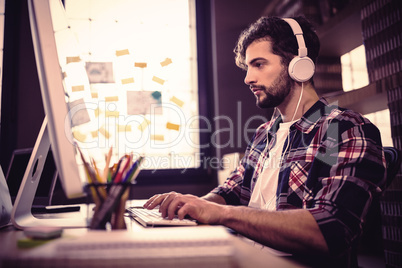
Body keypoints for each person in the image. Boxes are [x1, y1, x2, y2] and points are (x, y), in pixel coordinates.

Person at [143, 16, 387, 267]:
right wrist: (189, 205)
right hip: (244, 258)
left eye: (259, 64)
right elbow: (231, 193)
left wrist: (221, 214)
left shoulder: (338, 129)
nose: (248, 78)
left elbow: (330, 229)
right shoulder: (264, 133)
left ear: (298, 65)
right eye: (248, 67)